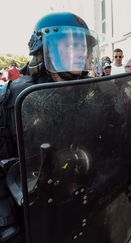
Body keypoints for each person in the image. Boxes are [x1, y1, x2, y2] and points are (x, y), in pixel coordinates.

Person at [0, 12, 100, 242]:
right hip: (33, 215)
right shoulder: (10, 99)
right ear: (43, 50)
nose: (80, 53)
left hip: (81, 204)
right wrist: (7, 223)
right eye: (70, 45)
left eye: (83, 47)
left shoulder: (92, 92)